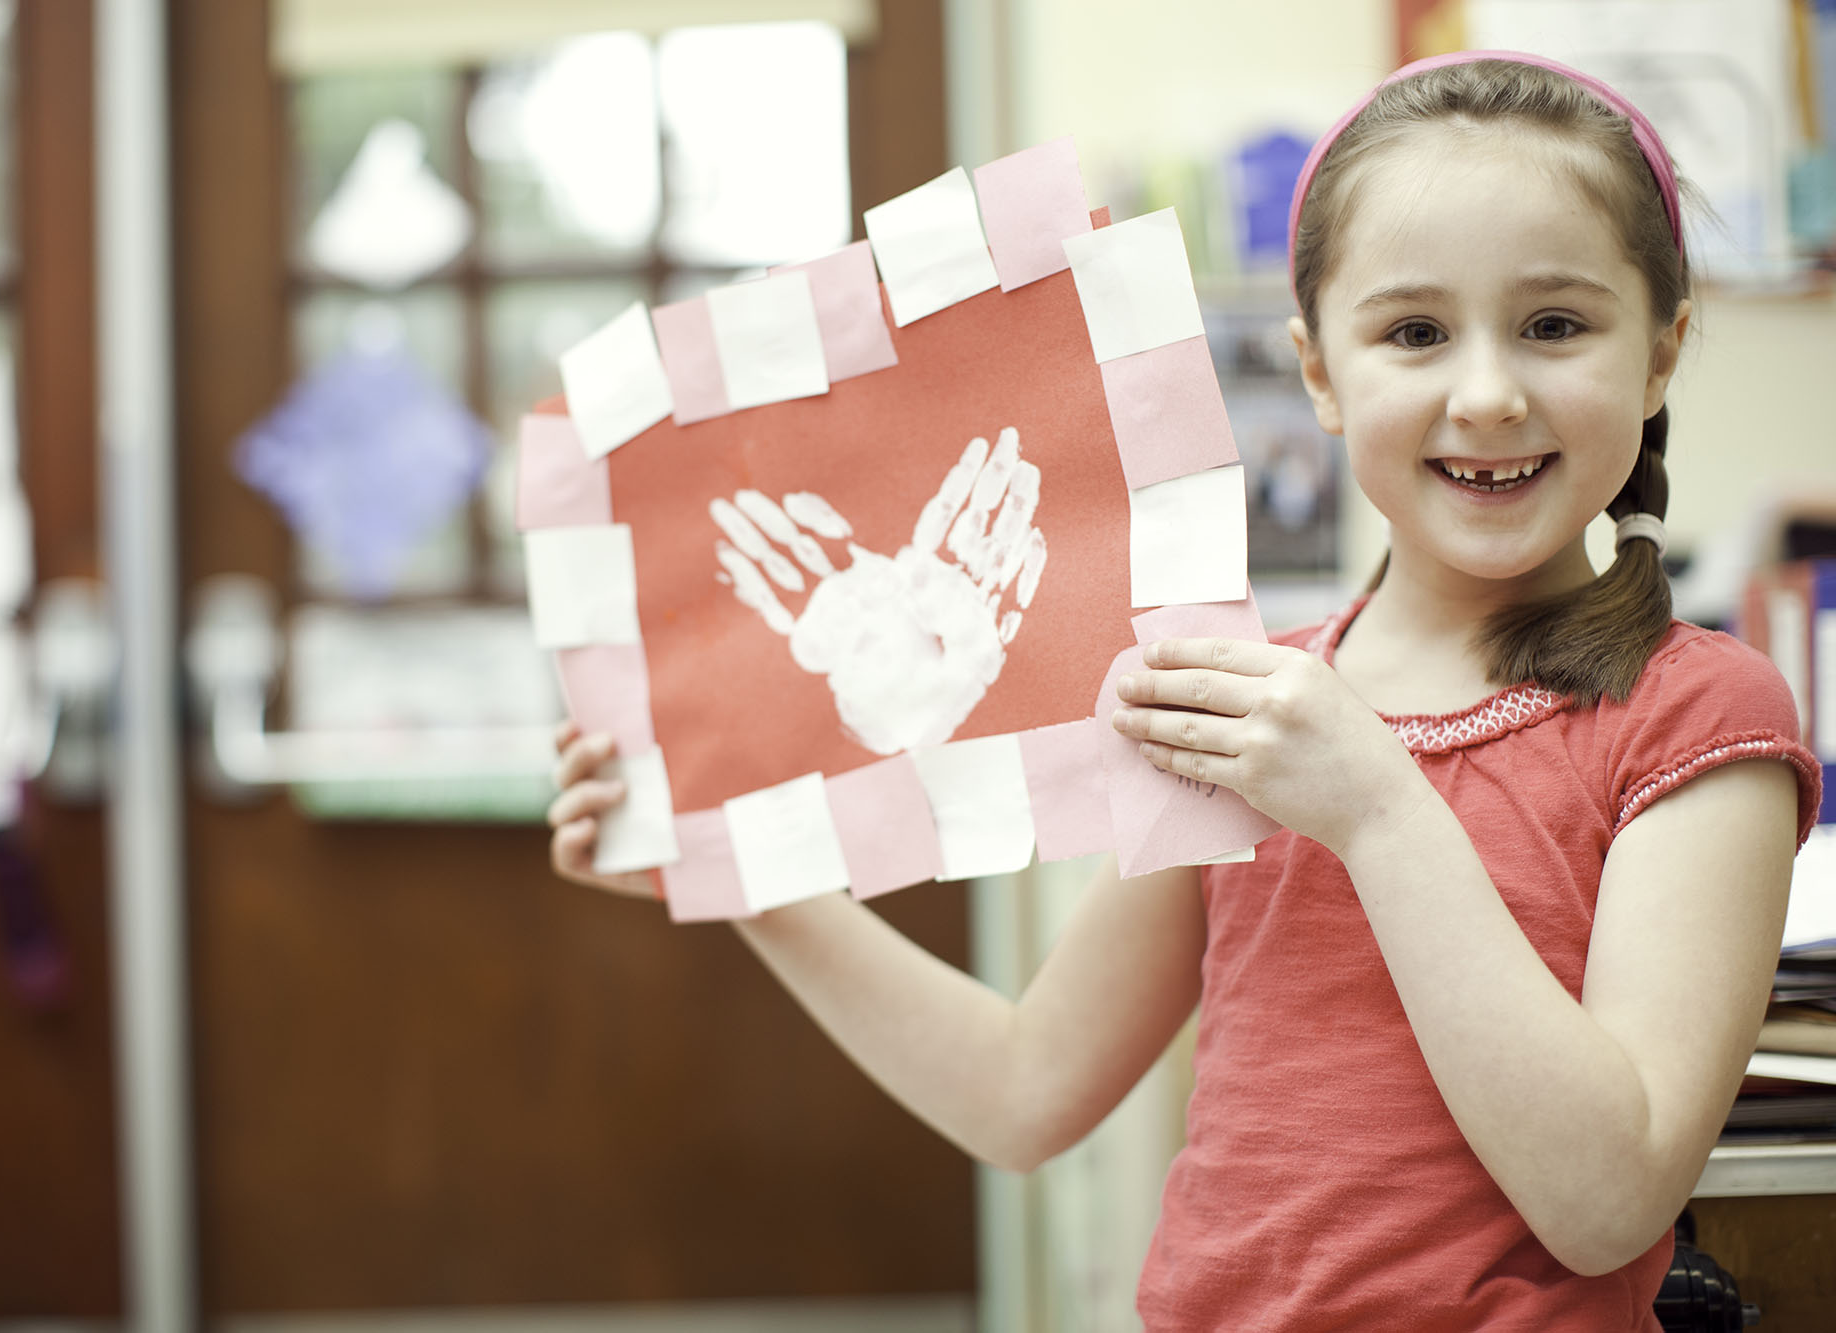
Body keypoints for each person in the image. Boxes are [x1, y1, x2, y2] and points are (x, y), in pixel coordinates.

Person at [545, 50, 1824, 1330]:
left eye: (1553, 325)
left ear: (1657, 356)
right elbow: (1023, 1090)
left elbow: (1602, 1202)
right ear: (1317, 373)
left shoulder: (1700, 715)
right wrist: (738, 870)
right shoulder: (1234, 699)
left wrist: (1374, 811)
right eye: (1412, 332)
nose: (1484, 394)